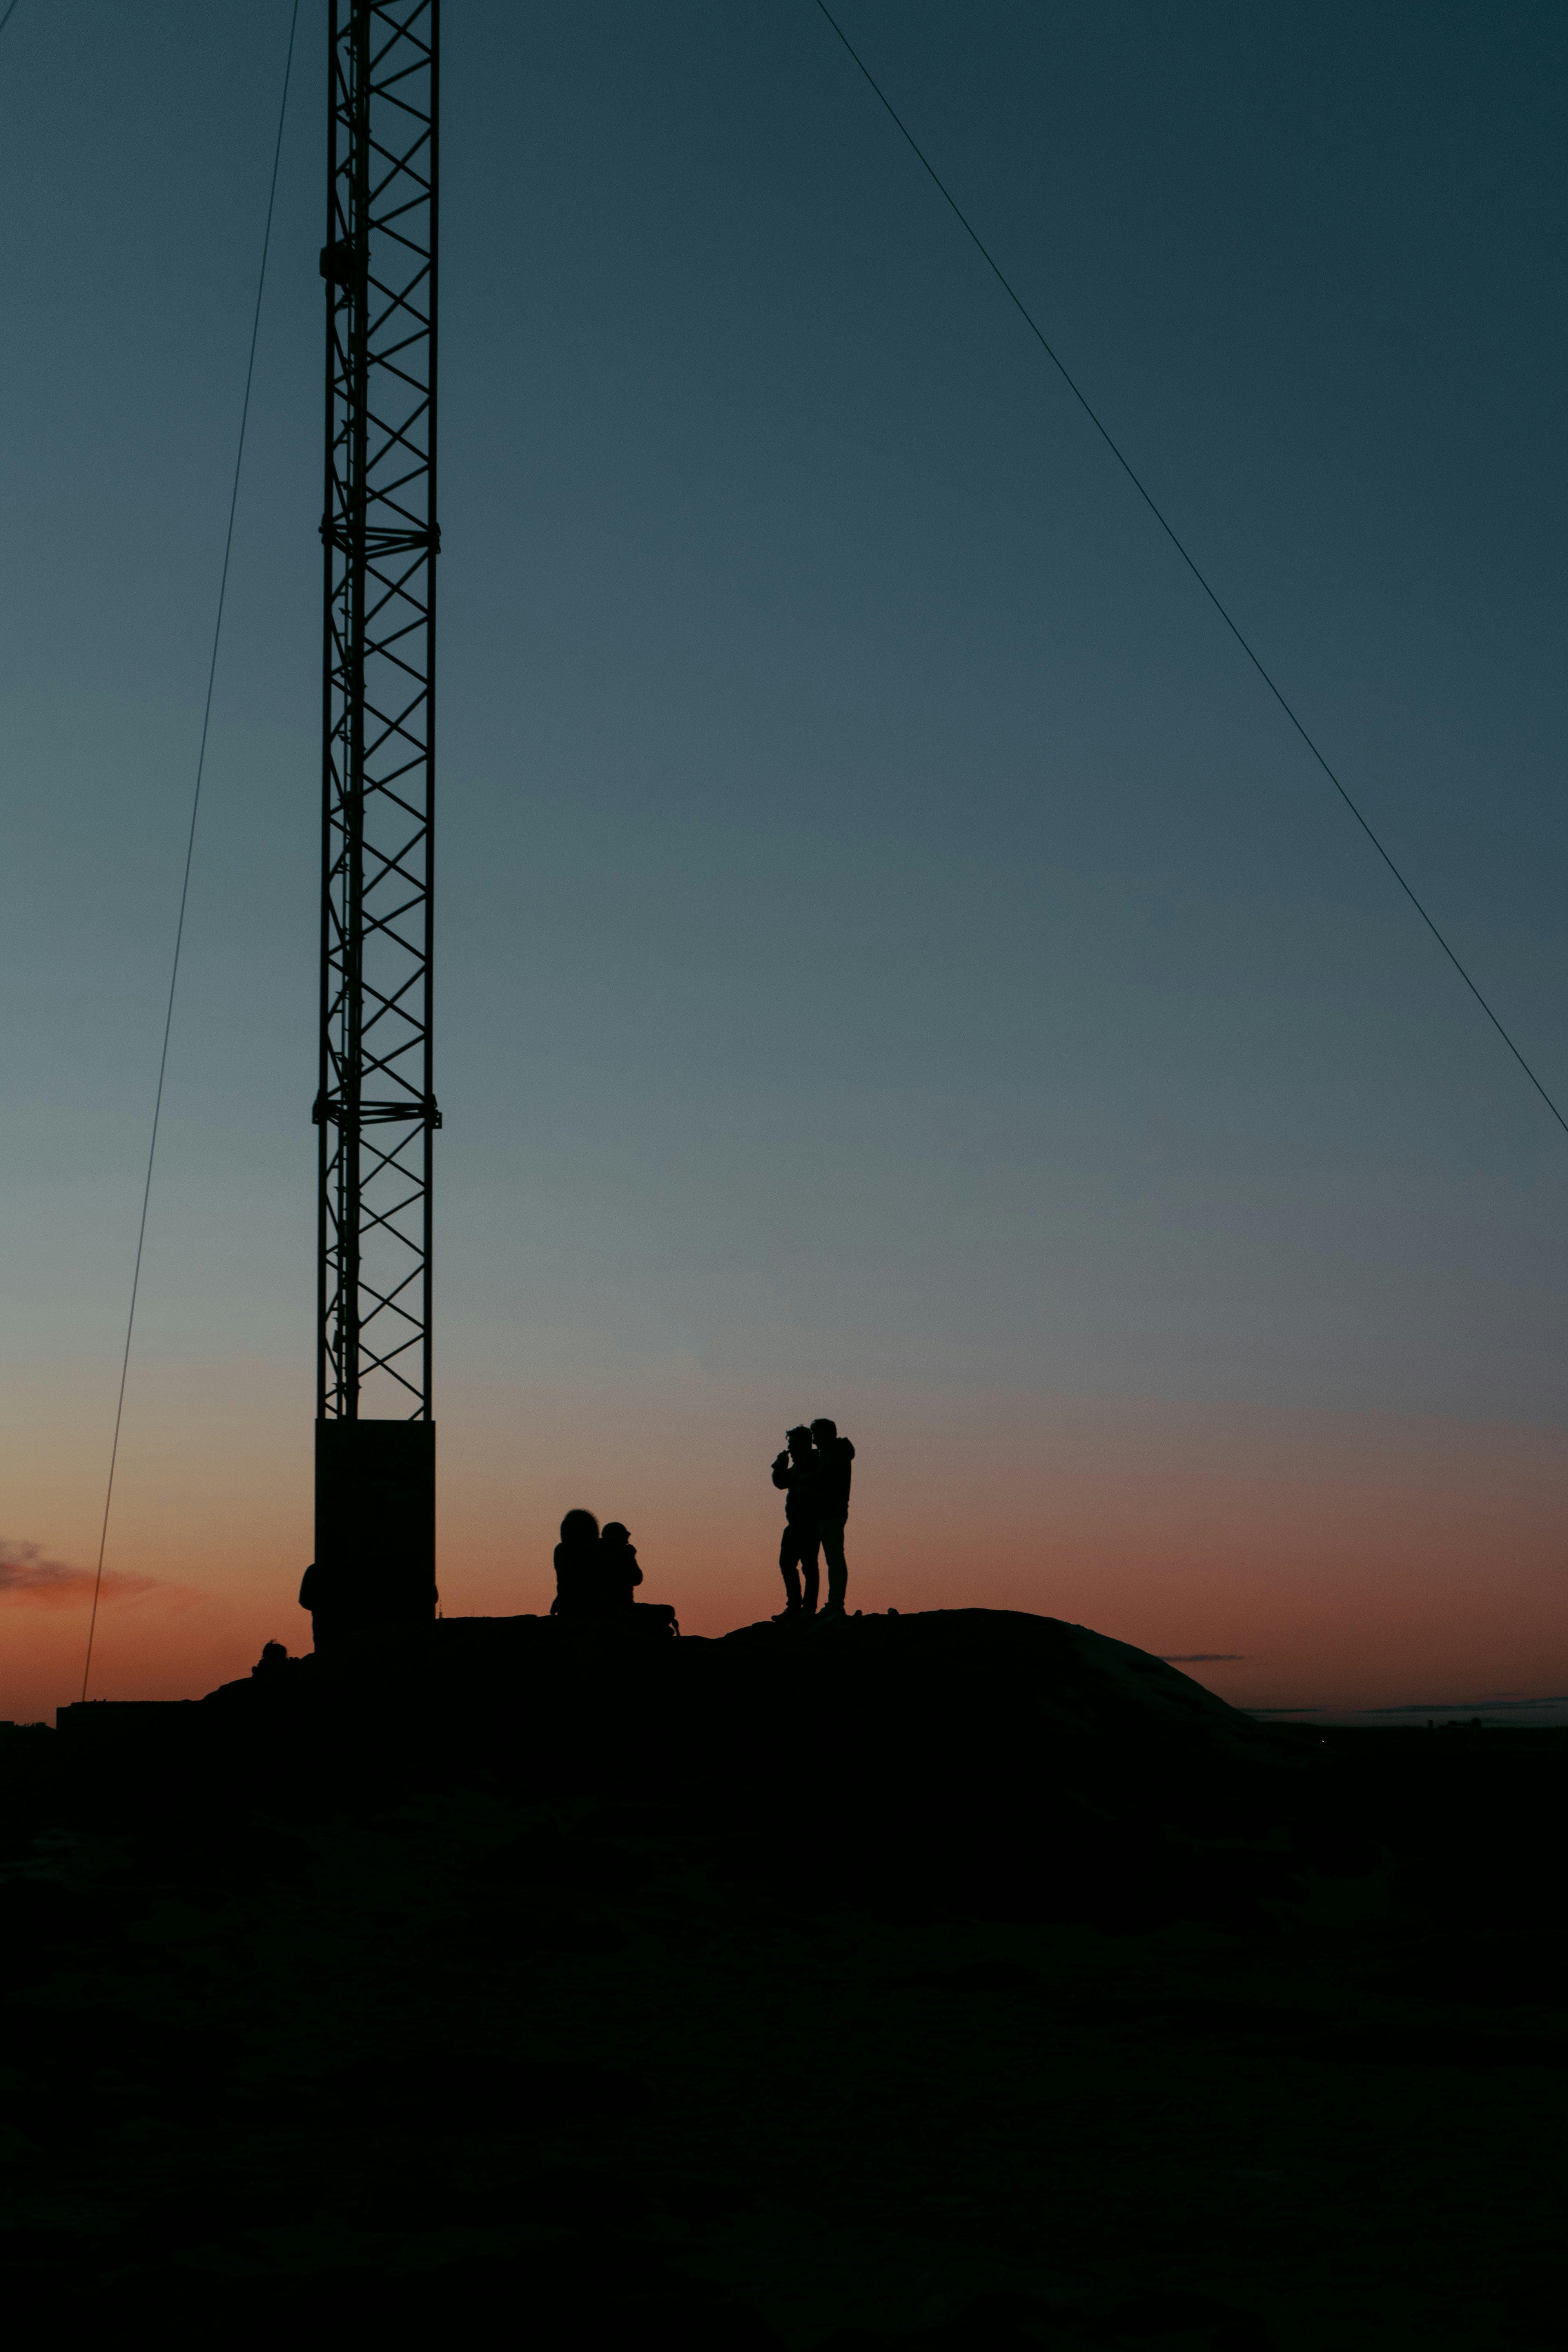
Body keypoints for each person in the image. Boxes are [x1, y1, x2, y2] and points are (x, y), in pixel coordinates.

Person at [770, 1425, 820, 1618]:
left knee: (809, 1566)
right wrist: (780, 1466)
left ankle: (807, 1609)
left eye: (792, 1443)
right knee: (787, 1564)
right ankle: (794, 1607)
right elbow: (781, 1483)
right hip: (794, 1524)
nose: (789, 1448)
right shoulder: (797, 1467)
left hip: (810, 1524)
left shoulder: (815, 1464)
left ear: (803, 1444)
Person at [810, 1417, 855, 1617]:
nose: (815, 1441)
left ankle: (836, 1605)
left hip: (832, 1513)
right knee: (833, 1559)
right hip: (826, 1514)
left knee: (835, 1560)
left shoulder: (837, 1455)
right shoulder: (831, 1454)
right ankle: (834, 1604)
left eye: (817, 1436)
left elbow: (825, 1484)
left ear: (828, 1435)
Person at [551, 1509, 603, 1618]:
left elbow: (567, 1581)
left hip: (584, 1605)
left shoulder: (562, 1551)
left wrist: (561, 1597)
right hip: (585, 1606)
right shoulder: (598, 1550)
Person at [600, 1521, 644, 1612]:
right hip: (620, 1607)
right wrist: (631, 1558)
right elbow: (637, 1579)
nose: (627, 1542)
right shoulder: (613, 1557)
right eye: (625, 1539)